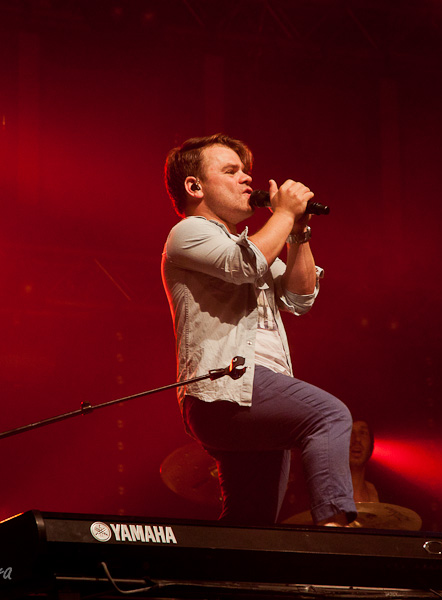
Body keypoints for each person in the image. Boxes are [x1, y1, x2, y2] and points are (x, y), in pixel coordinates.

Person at [161, 133, 356, 527]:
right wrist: (283, 214)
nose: (247, 179)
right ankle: (337, 530)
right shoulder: (189, 233)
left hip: (255, 393)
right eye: (231, 171)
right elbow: (245, 266)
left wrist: (298, 231)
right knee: (328, 416)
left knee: (253, 521)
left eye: (246, 171)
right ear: (195, 187)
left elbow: (300, 298)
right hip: (225, 386)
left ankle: (224, 566)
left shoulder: (251, 245)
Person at [349, 420, 380, 503]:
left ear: (371, 447)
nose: (357, 439)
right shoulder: (321, 493)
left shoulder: (384, 496)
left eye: (362, 433)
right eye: (349, 432)